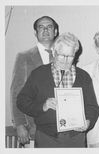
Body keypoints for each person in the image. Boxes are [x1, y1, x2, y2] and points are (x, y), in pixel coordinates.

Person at [16, 32, 99, 147]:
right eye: (62, 55)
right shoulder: (39, 74)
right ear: (54, 52)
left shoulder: (83, 76)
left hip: (76, 138)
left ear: (75, 55)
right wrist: (43, 106)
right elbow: (21, 101)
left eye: (70, 56)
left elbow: (93, 107)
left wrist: (88, 121)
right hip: (46, 137)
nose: (65, 60)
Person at [10, 16, 59, 146]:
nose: (45, 30)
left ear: (55, 31)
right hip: (34, 129)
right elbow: (16, 93)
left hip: (61, 129)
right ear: (35, 33)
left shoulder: (64, 56)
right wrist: (20, 125)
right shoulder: (24, 57)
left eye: (49, 27)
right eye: (41, 27)